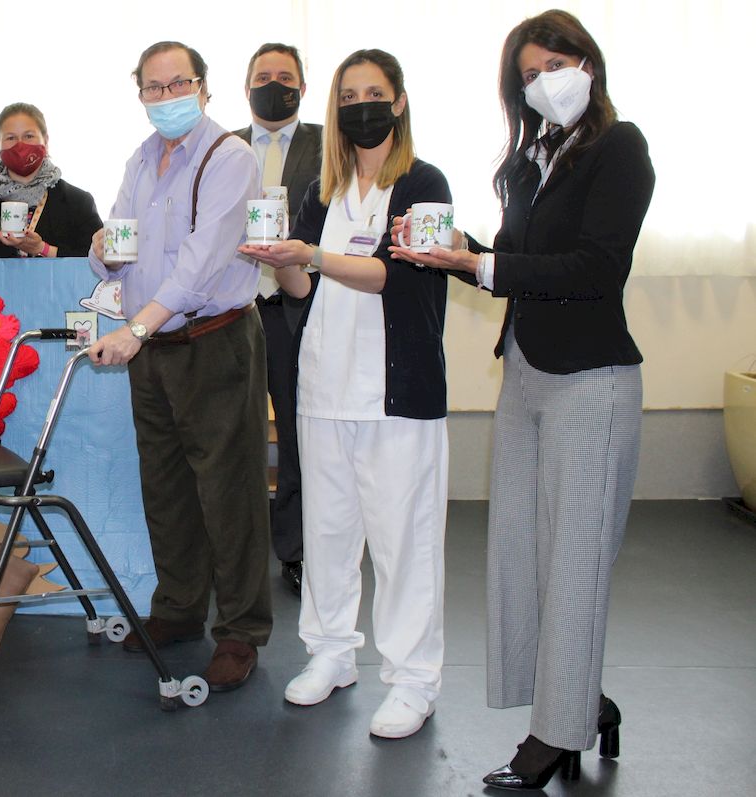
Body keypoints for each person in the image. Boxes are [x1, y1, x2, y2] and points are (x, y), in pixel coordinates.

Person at [388, 10, 654, 787]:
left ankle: (555, 734)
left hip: (592, 379)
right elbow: (518, 257)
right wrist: (450, 250)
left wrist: (481, 263)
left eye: (556, 63)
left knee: (575, 561)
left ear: (589, 62)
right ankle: (579, 701)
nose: (544, 81)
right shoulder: (531, 160)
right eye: (529, 75)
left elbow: (596, 268)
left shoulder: (620, 148)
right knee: (524, 555)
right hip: (529, 369)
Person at [240, 48, 451, 739]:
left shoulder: (426, 181)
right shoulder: (324, 189)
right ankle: (331, 652)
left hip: (397, 392)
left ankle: (413, 678)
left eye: (375, 92)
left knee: (403, 539)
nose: (362, 104)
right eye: (350, 93)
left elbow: (400, 275)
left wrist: (313, 257)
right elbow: (305, 287)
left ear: (397, 101)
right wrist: (284, 263)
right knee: (328, 532)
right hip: (325, 385)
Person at [87, 41, 270, 693]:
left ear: (204, 88)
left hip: (213, 340)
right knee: (165, 487)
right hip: (154, 348)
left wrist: (136, 328)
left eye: (178, 84)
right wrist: (102, 250)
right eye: (153, 88)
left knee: (230, 489)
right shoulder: (141, 159)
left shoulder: (231, 158)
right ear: (139, 92)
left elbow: (201, 264)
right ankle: (178, 610)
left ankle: (242, 629)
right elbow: (120, 241)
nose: (165, 98)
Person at [232, 42, 323, 597]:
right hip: (233, 306)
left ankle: (297, 550)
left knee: (295, 433)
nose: (274, 84)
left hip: (298, 306)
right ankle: (232, 555)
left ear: (302, 88)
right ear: (247, 88)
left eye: (285, 76)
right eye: (263, 76)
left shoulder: (327, 147)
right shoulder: (222, 148)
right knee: (230, 436)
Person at [0, 102, 102, 259]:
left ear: (46, 140)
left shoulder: (78, 202)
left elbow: (97, 260)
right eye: (10, 138)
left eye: (29, 136)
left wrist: (42, 248)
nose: (20, 145)